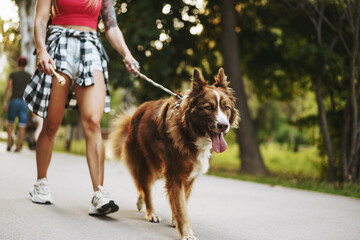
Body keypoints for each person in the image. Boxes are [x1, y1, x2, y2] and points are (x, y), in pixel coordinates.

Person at [24, 0, 139, 216]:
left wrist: (127, 54)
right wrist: (42, 51)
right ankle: (41, 183)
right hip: (58, 43)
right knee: (52, 122)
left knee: (93, 122)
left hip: (90, 45)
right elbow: (40, 19)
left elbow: (111, 26)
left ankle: (99, 193)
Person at [3, 57, 32, 152]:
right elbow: (31, 91)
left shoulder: (13, 74)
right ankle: (19, 146)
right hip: (24, 103)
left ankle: (9, 142)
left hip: (14, 101)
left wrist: (5, 101)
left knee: (10, 122)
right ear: (26, 65)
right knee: (22, 125)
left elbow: (8, 87)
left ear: (18, 64)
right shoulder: (29, 76)